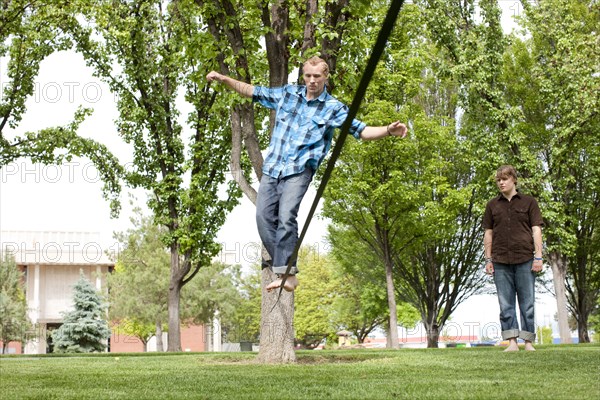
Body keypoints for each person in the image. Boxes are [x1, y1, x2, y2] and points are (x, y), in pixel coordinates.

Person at [207, 56, 408, 292]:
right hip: (272, 168)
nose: (312, 81)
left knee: (286, 216)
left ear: (325, 77)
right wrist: (223, 78)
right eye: (308, 76)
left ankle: (288, 274)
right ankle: (283, 266)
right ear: (303, 76)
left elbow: (361, 131)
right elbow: (253, 91)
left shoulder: (333, 108)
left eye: (317, 77)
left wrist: (388, 131)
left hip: (299, 170)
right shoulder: (288, 94)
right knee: (263, 219)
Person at [483, 165, 544, 351]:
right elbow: (488, 233)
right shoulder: (492, 205)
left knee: (527, 304)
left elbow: (536, 230)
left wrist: (539, 257)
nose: (501, 182)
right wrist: (488, 259)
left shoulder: (529, 202)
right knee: (505, 304)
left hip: (525, 259)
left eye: (504, 179)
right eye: (498, 180)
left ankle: (528, 342)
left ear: (514, 180)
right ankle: (511, 342)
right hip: (500, 261)